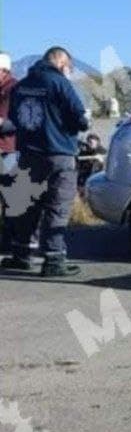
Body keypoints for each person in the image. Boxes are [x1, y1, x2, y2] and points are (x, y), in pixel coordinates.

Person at [2, 47, 90, 276]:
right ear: (61, 63)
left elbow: (12, 121)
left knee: (28, 206)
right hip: (58, 153)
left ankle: (22, 254)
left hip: (28, 154)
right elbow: (80, 118)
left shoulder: (21, 86)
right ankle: (53, 259)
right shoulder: (60, 83)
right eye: (69, 67)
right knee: (57, 207)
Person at [0, 52, 17, 253]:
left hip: (8, 150)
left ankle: (9, 241)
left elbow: (20, 121)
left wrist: (3, 124)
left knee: (11, 199)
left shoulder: (15, 89)